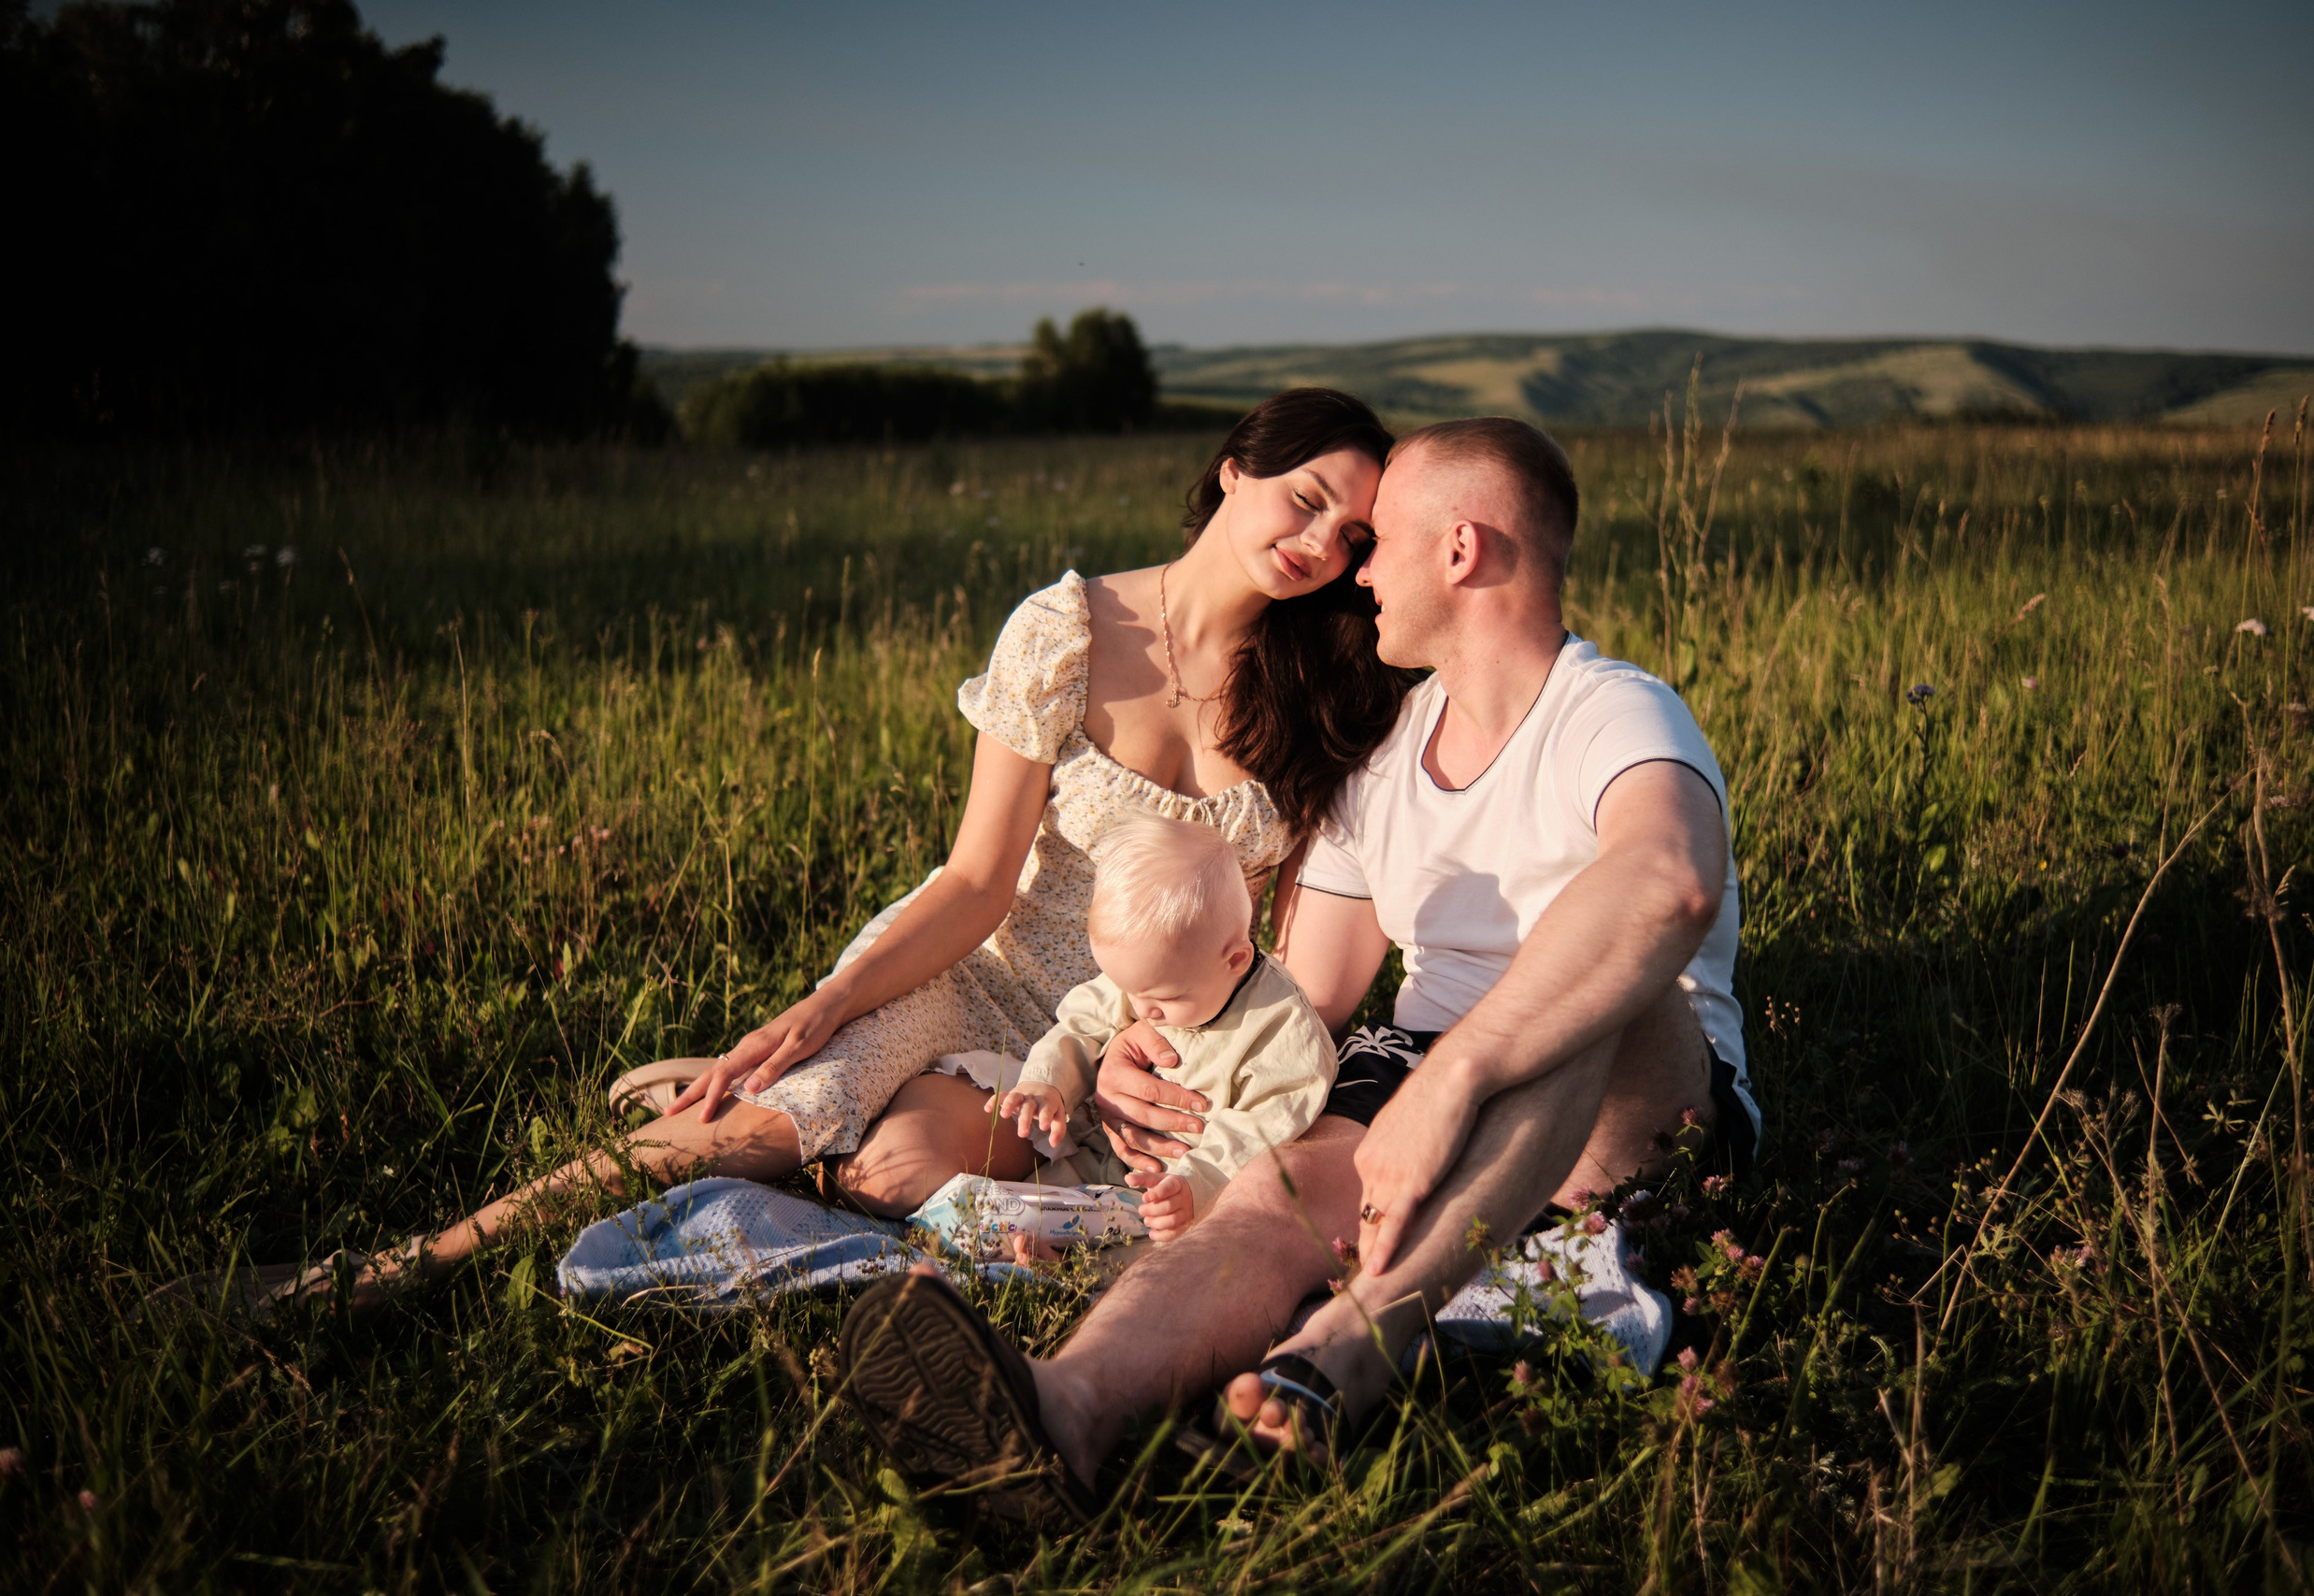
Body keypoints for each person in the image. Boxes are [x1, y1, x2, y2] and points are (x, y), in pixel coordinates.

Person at [193, 389, 1414, 1314]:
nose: (1319, 542)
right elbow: (975, 882)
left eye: (1351, 532)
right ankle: (401, 1264)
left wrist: (1166, 1048)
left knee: (900, 1174)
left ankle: (846, 1148)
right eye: (1305, 496)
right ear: (1235, 467)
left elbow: (1288, 941)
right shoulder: (1070, 629)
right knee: (770, 1120)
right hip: (976, 973)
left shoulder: (1327, 692)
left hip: (1143, 1033)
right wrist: (819, 1010)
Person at [837, 416, 1759, 1530]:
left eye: (1380, 540)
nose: (1355, 572)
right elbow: (1302, 996)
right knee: (1269, 1198)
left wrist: (1459, 1075)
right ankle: (1063, 1410)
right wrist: (1149, 1045)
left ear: (1459, 549)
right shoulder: (1387, 757)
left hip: (1629, 1094)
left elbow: (1669, 884)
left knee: (1591, 994)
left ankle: (1355, 1344)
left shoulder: (1612, 711)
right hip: (1412, 1074)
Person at [999, 812, 1338, 1244]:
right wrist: (1046, 1083)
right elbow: (1082, 1026)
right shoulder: (1156, 980)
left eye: (1164, 998)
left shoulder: (1280, 1027)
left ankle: (1079, 1267)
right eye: (1129, 990)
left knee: (1166, 1247)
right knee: (1027, 1203)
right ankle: (1022, 1245)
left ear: (1235, 960)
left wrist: (1198, 1183)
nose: (1142, 1010)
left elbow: (1262, 1130)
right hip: (1107, 1156)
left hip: (1190, 1188)